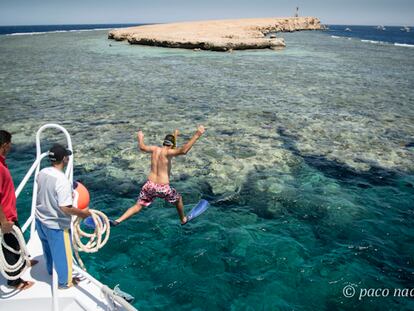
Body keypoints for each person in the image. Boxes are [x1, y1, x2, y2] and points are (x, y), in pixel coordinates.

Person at [113, 125, 206, 226]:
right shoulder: (169, 152)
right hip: (162, 188)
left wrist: (140, 138)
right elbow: (183, 150)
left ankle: (118, 220)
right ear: (172, 145)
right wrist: (197, 134)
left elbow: (142, 147)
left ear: (164, 143)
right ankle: (183, 219)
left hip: (149, 185)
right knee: (178, 199)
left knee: (138, 205)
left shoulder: (154, 149)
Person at [35, 143, 90, 289]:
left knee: (47, 249)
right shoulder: (62, 181)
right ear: (64, 159)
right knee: (63, 254)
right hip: (56, 225)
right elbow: (65, 208)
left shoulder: (42, 172)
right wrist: (82, 213)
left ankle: (50, 271)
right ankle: (65, 282)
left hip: (40, 220)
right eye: (67, 156)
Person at [0, 130, 37, 290]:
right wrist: (3, 221)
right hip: (5, 217)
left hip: (10, 213)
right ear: (5, 145)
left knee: (18, 240)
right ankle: (15, 281)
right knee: (12, 247)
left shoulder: (2, 162)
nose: (11, 146)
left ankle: (24, 263)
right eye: (10, 143)